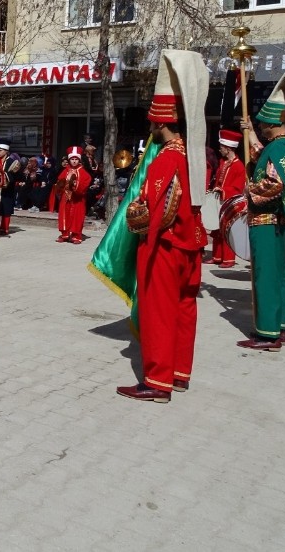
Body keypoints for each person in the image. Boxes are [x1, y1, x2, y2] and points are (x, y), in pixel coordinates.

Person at [118, 49, 208, 403]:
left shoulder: (166, 160)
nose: (151, 130)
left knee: (158, 313)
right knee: (185, 309)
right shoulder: (196, 155)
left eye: (152, 124)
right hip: (192, 246)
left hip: (165, 246)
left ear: (159, 124)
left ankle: (157, 382)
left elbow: (159, 210)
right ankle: (179, 373)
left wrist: (135, 216)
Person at [237, 71, 285, 352]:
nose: (261, 126)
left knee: (266, 277)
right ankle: (278, 327)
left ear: (273, 123)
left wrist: (250, 190)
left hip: (269, 223)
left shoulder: (278, 148)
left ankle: (267, 335)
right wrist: (251, 136)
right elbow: (268, 161)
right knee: (279, 275)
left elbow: (274, 183)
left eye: (263, 123)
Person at [207, 129, 246, 268]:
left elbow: (238, 188)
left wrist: (223, 191)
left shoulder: (239, 166)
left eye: (222, 147)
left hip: (230, 203)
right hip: (220, 201)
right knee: (217, 230)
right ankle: (217, 256)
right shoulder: (223, 163)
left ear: (228, 148)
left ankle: (228, 259)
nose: (220, 149)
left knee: (227, 231)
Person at [55, 147, 92, 244]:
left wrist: (76, 186)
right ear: (69, 160)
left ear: (79, 160)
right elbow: (60, 181)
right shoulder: (66, 170)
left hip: (77, 198)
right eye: (72, 159)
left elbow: (86, 181)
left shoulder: (83, 171)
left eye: (76, 159)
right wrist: (61, 185)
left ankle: (76, 235)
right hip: (66, 196)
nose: (74, 161)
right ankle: (65, 234)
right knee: (64, 215)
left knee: (77, 216)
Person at [0, 142, 21, 235]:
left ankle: (4, 228)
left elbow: (15, 176)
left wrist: (4, 175)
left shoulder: (11, 162)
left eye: (1, 150)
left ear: (6, 151)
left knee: (6, 208)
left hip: (7, 189)